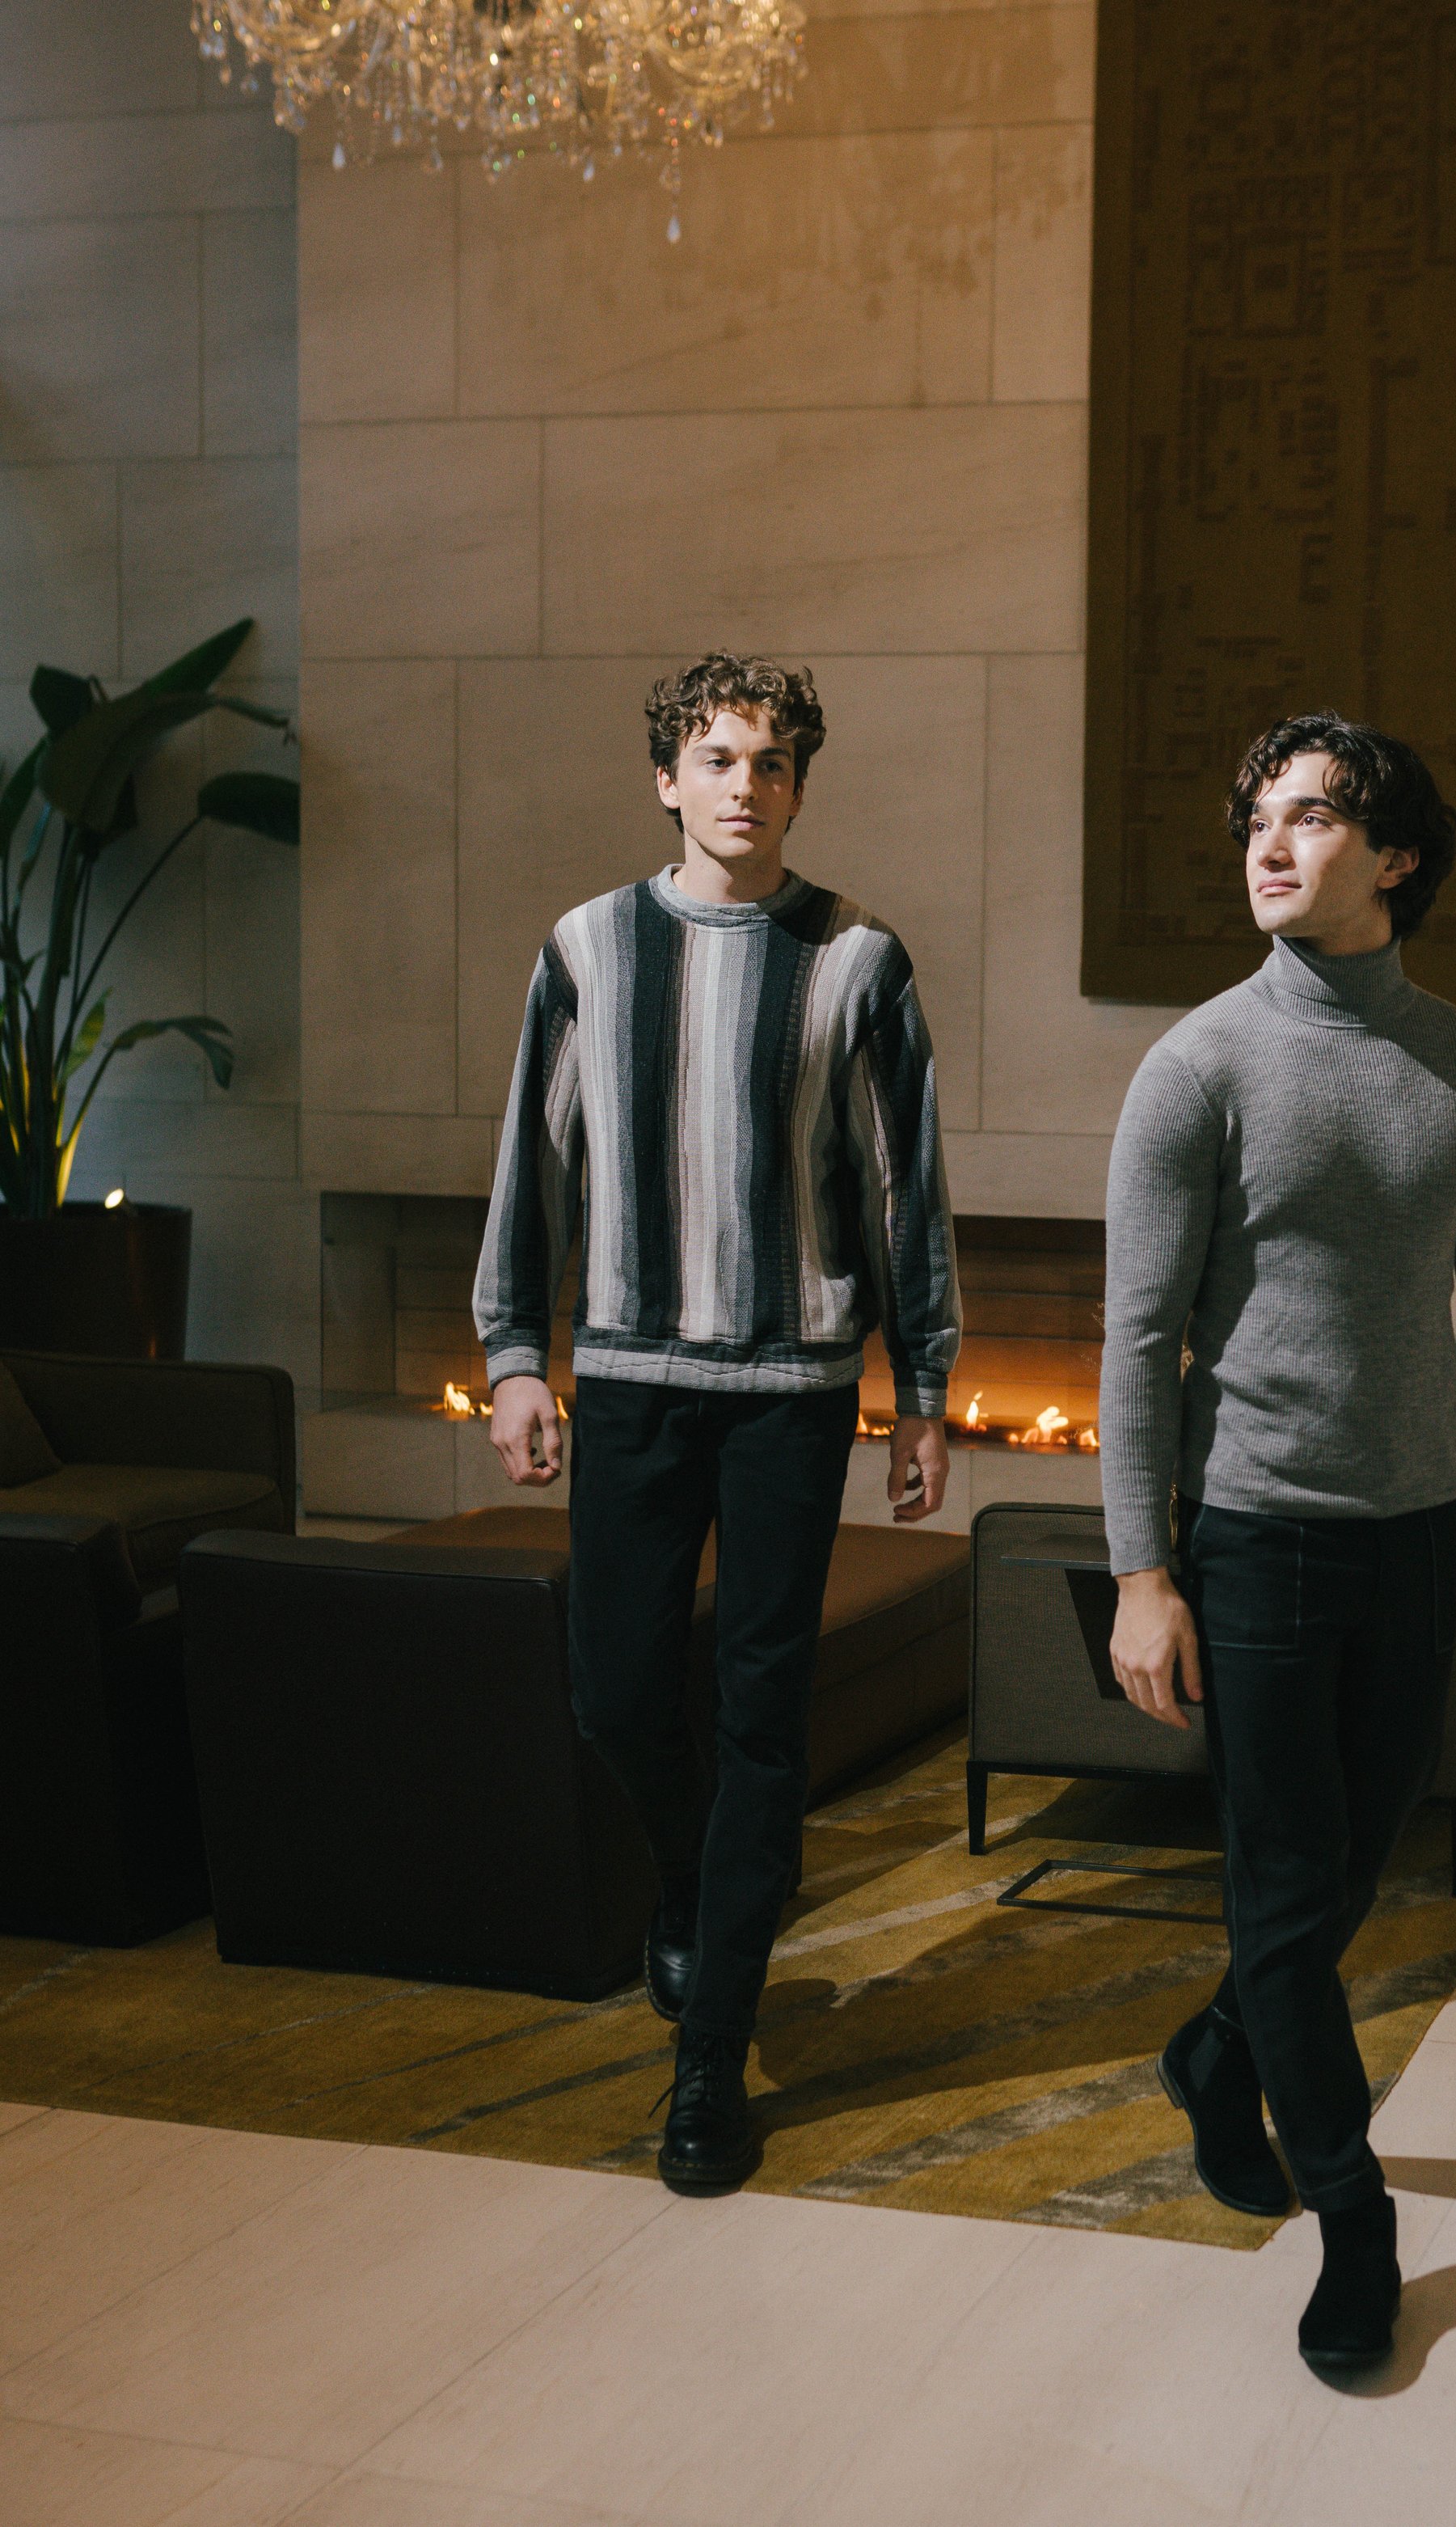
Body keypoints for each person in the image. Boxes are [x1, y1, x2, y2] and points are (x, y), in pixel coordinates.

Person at [474, 651, 960, 2195]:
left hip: (793, 1395)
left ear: (798, 787)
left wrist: (924, 1392)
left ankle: (708, 2062)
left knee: (760, 1715)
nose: (747, 784)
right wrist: (514, 1354)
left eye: (774, 762)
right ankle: (694, 1885)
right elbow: (531, 1164)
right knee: (615, 1690)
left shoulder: (858, 959)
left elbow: (906, 1190)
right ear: (666, 779)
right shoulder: (587, 947)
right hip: (626, 1376)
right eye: (719, 756)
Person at [1101, 714, 1456, 2381]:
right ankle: (1355, 2226)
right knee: (1287, 1892)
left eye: (1308, 819)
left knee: (1343, 1873)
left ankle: (1218, 2054)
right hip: (1256, 1539)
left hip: (1417, 1527)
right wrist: (1142, 1575)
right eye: (1254, 821)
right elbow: (1135, 1339)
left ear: (1398, 856)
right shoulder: (1198, 1065)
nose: (1266, 847)